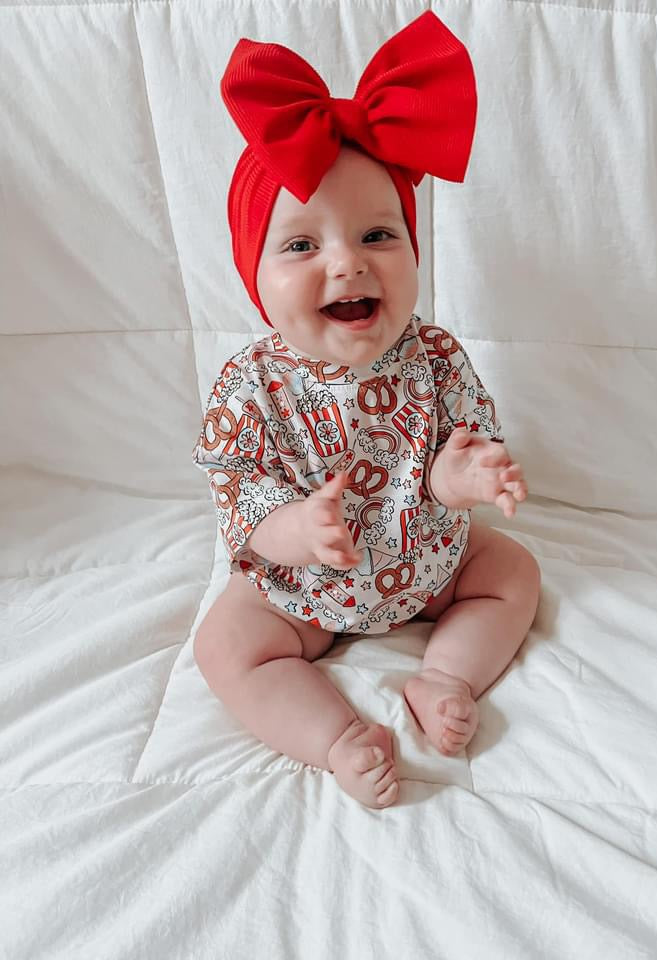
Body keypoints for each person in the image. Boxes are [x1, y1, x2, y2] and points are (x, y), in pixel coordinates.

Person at [192, 11, 541, 809]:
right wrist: (294, 530)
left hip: (428, 568)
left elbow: (454, 451)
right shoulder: (251, 386)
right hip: (305, 594)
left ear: (414, 253)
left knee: (513, 570)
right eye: (302, 245)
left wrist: (467, 472)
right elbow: (238, 495)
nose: (347, 262)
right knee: (225, 646)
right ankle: (340, 737)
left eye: (377, 234)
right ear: (256, 277)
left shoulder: (437, 356)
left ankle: (444, 675)